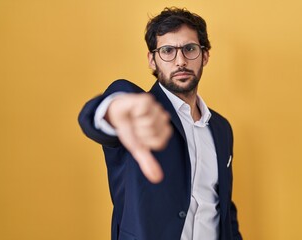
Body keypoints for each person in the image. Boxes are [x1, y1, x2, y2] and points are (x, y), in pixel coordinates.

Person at [78, 7, 242, 240]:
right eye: (167, 51)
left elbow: (223, 205)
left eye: (190, 49)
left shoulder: (221, 129)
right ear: (152, 60)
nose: (180, 61)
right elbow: (97, 116)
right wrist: (110, 111)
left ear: (205, 55)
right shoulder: (140, 111)